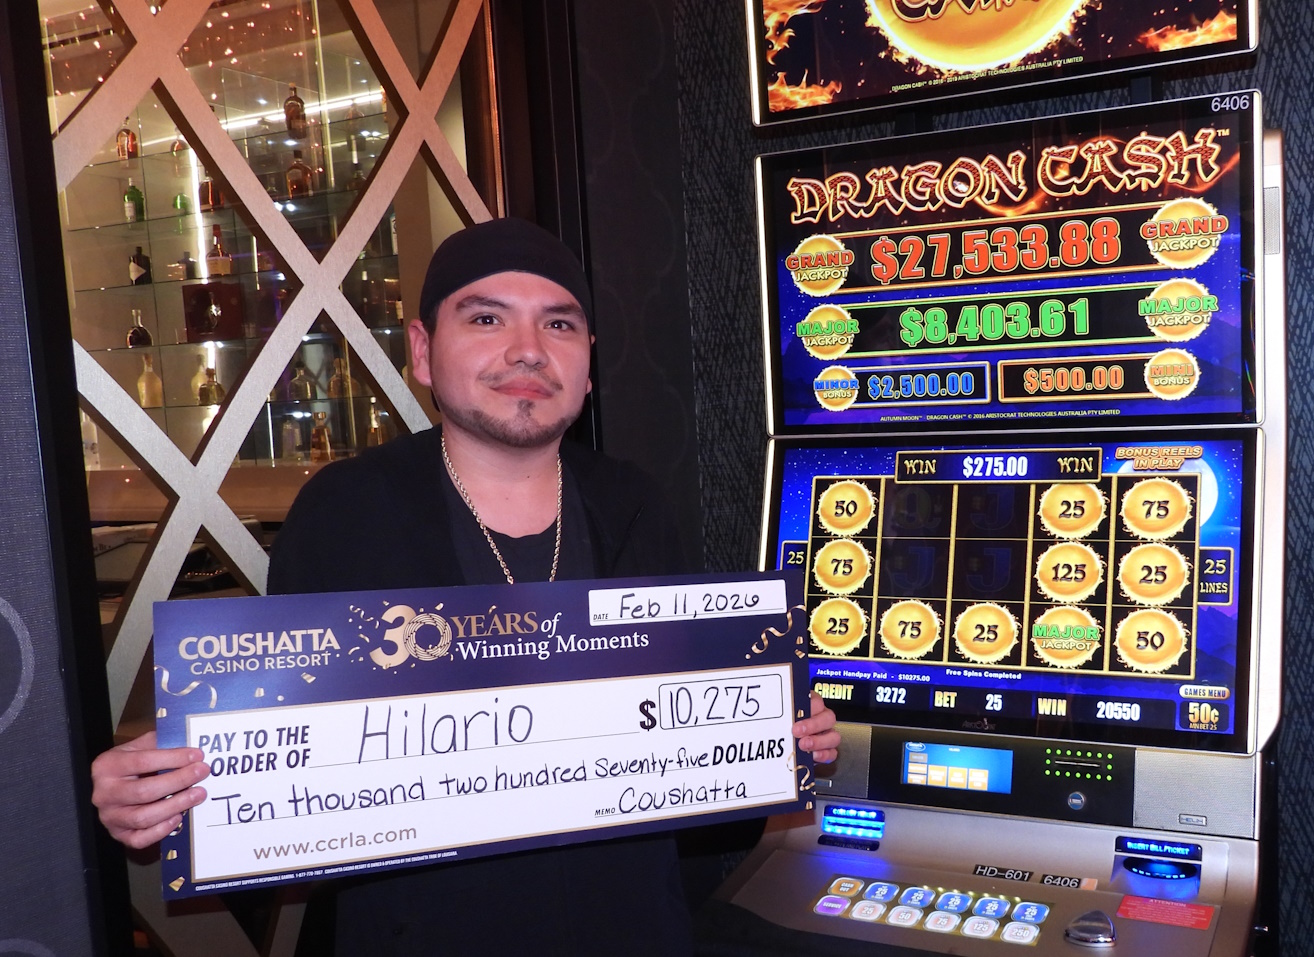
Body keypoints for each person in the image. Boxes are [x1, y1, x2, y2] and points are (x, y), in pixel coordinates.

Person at [91, 218, 840, 955]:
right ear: (422, 350)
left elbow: (692, 793)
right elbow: (285, 783)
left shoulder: (636, 503)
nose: (528, 349)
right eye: (486, 318)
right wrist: (166, 796)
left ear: (587, 362)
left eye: (559, 324)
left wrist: (770, 741)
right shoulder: (346, 512)